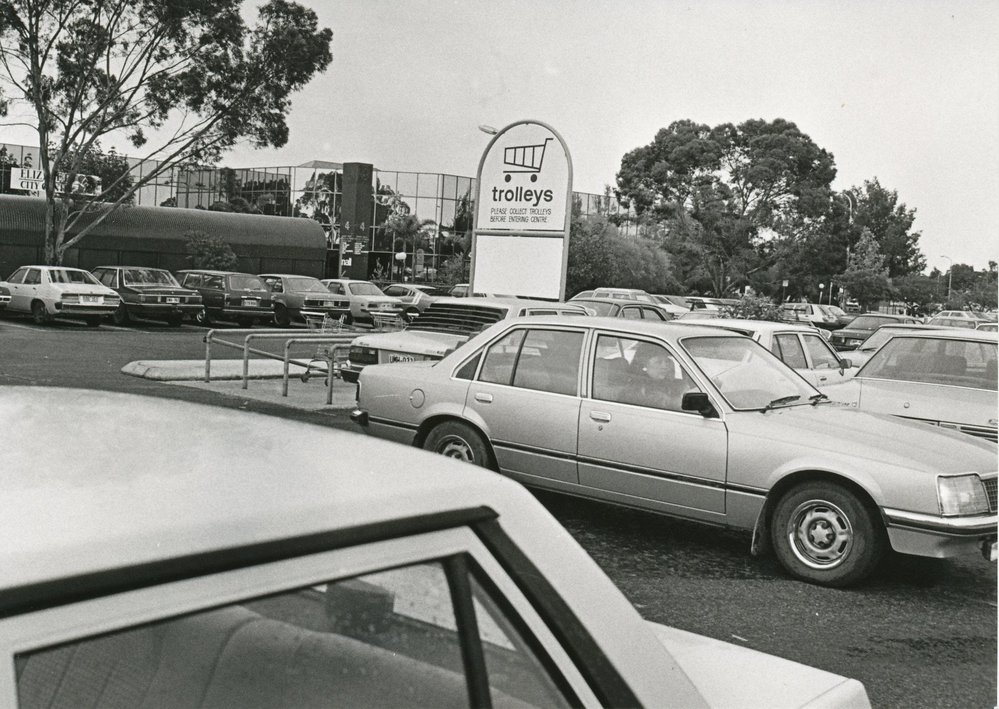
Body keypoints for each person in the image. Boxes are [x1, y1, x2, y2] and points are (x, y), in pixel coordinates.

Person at [623, 343, 689, 410]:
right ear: (645, 365)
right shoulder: (636, 388)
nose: (665, 366)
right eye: (658, 362)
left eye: (667, 362)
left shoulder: (675, 384)